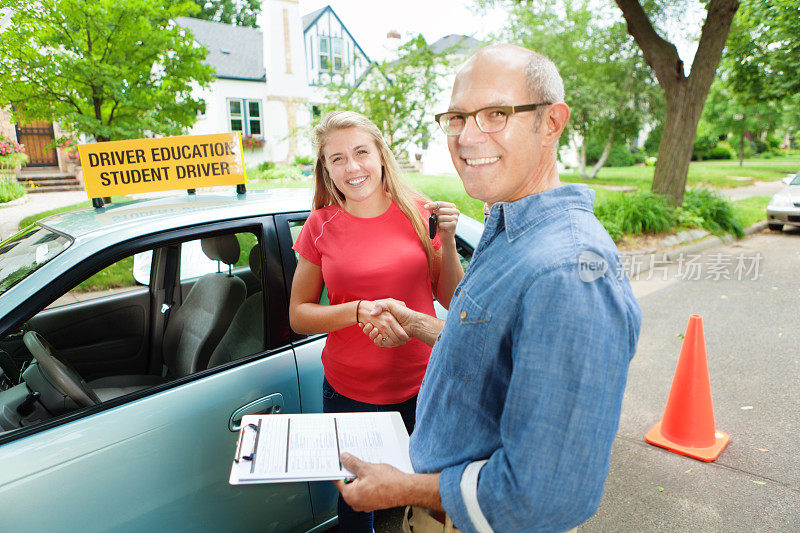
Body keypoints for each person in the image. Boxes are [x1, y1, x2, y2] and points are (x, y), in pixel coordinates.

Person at [334, 45, 642, 533]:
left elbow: (542, 496)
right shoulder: (510, 226)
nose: (467, 136)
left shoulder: (568, 272)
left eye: (496, 114)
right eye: (456, 117)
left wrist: (403, 488)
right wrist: (417, 324)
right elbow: (496, 349)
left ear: (552, 122)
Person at [289, 110, 464, 532]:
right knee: (356, 502)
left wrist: (451, 240)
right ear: (326, 168)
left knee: (428, 499)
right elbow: (298, 315)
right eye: (337, 158)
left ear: (381, 155)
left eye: (361, 152)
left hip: (423, 386)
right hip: (350, 393)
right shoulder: (320, 225)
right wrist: (355, 310)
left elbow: (450, 297)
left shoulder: (421, 212)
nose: (352, 167)